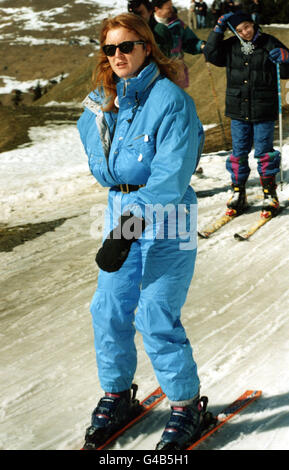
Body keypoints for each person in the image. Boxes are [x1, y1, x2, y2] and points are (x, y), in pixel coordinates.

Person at [77, 13, 205, 451]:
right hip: (121, 214)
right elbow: (109, 170)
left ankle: (187, 404)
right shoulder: (99, 105)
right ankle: (117, 393)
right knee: (108, 308)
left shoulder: (171, 101)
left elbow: (169, 177)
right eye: (109, 49)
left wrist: (126, 229)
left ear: (147, 47)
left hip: (168, 219)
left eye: (127, 46)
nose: (118, 56)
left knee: (155, 314)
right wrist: (105, 117)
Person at [204, 10, 289, 216]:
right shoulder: (231, 46)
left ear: (253, 24)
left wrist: (286, 59)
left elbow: (286, 71)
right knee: (238, 153)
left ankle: (269, 194)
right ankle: (238, 193)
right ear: (234, 30)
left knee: (264, 153)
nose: (245, 32)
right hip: (238, 109)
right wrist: (218, 30)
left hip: (263, 109)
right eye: (239, 30)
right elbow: (210, 54)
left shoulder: (269, 42)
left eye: (247, 27)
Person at [151, 0, 206, 88]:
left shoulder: (178, 24)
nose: (171, 9)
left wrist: (202, 46)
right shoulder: (149, 27)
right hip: (156, 76)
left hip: (177, 73)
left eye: (171, 6)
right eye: (168, 7)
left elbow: (190, 42)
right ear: (157, 9)